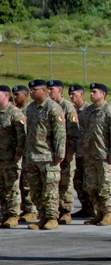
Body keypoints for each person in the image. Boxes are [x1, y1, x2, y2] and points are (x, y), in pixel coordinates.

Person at [23, 79, 66, 230]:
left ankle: (52, 218)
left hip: (48, 156)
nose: (32, 92)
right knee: (35, 190)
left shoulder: (53, 108)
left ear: (44, 91)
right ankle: (42, 216)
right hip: (33, 156)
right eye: (31, 90)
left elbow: (60, 133)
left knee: (50, 190)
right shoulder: (31, 108)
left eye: (34, 90)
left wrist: (60, 153)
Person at [80, 83, 111, 226]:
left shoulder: (110, 111)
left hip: (104, 156)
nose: (91, 94)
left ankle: (107, 214)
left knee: (104, 186)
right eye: (90, 92)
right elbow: (84, 131)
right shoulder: (88, 111)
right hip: (90, 155)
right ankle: (98, 213)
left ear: (103, 94)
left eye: (94, 92)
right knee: (91, 186)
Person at [47, 79, 79, 225]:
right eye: (47, 89)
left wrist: (70, 151)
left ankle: (66, 211)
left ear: (59, 90)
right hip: (51, 152)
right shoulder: (48, 106)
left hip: (65, 152)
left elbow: (73, 131)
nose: (49, 92)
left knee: (66, 182)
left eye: (52, 89)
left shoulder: (67, 107)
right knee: (53, 183)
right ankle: (54, 210)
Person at [0, 85, 26, 228]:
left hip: (11, 158)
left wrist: (18, 154)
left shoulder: (14, 113)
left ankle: (13, 215)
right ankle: (4, 214)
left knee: (12, 188)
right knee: (2, 188)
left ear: (5, 96)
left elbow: (22, 137)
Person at [68, 84, 94, 219]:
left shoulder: (88, 110)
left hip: (86, 152)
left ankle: (93, 207)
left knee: (88, 181)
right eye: (70, 94)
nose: (72, 97)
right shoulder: (70, 110)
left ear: (81, 95)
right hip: (75, 152)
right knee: (78, 182)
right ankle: (85, 207)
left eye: (74, 94)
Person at [12, 85, 36, 223]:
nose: (15, 97)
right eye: (13, 95)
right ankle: (19, 208)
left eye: (17, 94)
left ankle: (30, 209)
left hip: (29, 151)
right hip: (16, 151)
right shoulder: (13, 110)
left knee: (27, 182)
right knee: (18, 182)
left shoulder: (31, 110)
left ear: (25, 95)